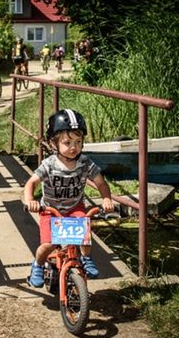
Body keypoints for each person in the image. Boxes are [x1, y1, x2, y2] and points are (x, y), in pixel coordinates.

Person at [23, 109, 115, 286]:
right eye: (67, 142)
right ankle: (38, 264)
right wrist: (30, 201)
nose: (74, 147)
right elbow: (31, 184)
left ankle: (86, 258)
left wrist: (106, 199)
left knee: (84, 234)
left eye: (78, 142)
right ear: (53, 143)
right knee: (49, 244)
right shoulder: (49, 165)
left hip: (75, 207)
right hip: (51, 210)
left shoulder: (85, 163)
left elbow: (101, 183)